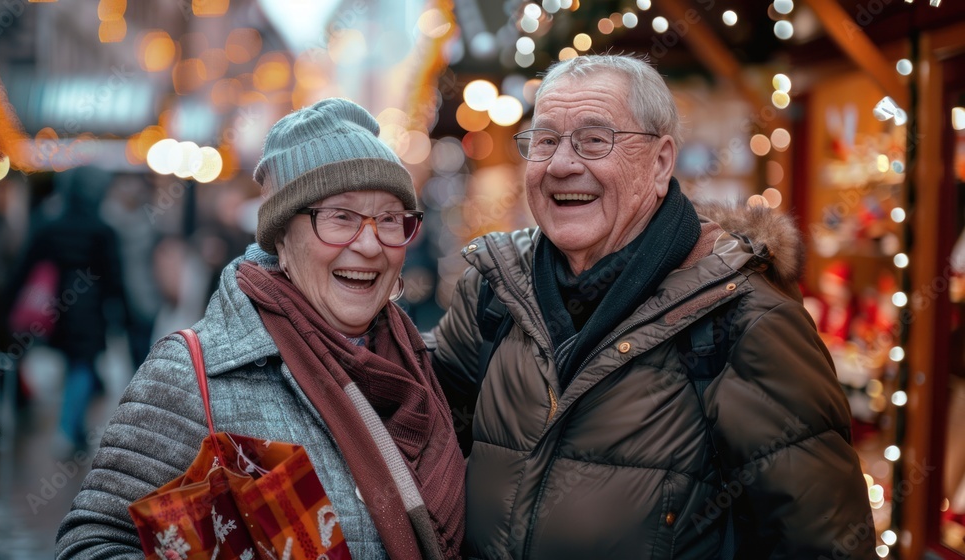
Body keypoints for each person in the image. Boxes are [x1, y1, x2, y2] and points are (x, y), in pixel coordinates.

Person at [428, 55, 876, 559]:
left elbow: (824, 546)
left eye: (594, 140)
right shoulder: (492, 293)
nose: (561, 165)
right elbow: (414, 437)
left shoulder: (745, 322)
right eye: (546, 140)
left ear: (661, 163)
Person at [56, 98, 466, 560]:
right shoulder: (193, 373)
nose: (370, 245)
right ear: (282, 238)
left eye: (390, 219)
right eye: (341, 217)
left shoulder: (418, 368)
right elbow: (93, 543)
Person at [7, 166, 126, 457]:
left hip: (56, 308)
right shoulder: (103, 230)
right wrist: (122, 313)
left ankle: (73, 428)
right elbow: (114, 277)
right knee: (82, 367)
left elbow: (24, 266)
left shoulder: (49, 224)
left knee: (75, 367)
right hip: (90, 311)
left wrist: (9, 304)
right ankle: (67, 429)